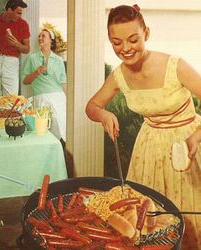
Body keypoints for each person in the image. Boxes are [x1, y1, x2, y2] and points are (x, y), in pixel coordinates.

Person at [85, 4, 201, 249]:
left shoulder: (174, 65)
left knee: (188, 218)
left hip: (186, 146)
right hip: (148, 150)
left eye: (133, 39)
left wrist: (197, 136)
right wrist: (103, 115)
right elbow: (92, 106)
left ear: (146, 33)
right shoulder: (118, 75)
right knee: (147, 222)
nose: (125, 48)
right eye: (116, 42)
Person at [22, 28, 67, 142]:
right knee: (43, 131)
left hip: (58, 97)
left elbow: (63, 82)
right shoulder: (32, 58)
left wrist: (67, 100)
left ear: (51, 41)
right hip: (41, 97)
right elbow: (25, 80)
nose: (40, 38)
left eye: (43, 36)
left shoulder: (59, 60)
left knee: (61, 129)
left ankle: (61, 154)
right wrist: (36, 72)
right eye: (39, 36)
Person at [0, 0, 30, 103]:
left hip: (11, 62)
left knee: (11, 98)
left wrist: (16, 44)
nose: (20, 15)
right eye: (18, 12)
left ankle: (8, 118)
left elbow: (27, 49)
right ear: (9, 10)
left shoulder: (23, 24)